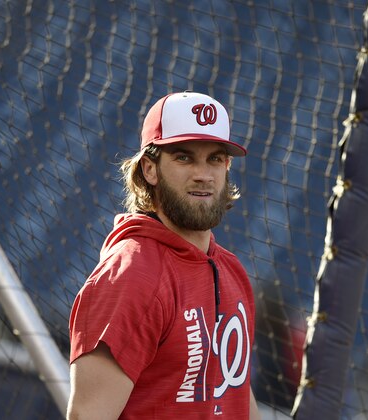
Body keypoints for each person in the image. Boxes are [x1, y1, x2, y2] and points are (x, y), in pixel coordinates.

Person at [67, 91, 260, 419]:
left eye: (214, 158)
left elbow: (234, 392)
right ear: (150, 169)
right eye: (184, 157)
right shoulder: (130, 275)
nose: (203, 174)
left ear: (227, 167)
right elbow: (88, 415)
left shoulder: (232, 270)